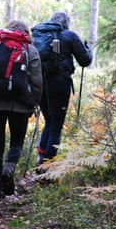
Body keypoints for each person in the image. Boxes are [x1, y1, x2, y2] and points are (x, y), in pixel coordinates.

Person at [0, 20, 42, 199]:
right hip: (20, 103)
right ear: (25, 32)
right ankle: (9, 168)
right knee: (17, 140)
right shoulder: (29, 50)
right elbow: (37, 80)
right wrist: (35, 101)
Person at [36, 12, 93, 166]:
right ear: (66, 22)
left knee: (49, 121)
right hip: (59, 84)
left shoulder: (39, 35)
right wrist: (89, 51)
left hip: (41, 83)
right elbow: (85, 60)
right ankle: (46, 167)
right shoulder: (69, 36)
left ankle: (41, 158)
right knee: (56, 125)